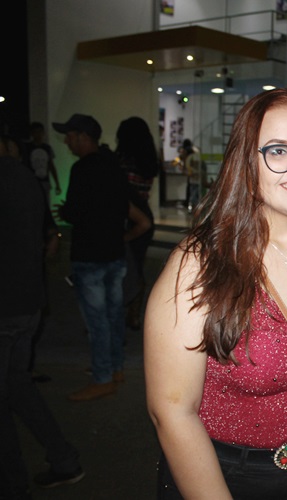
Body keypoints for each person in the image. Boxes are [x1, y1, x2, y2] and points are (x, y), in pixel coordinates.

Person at [144, 88, 287, 498]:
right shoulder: (199, 263)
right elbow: (172, 412)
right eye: (278, 151)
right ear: (246, 160)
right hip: (226, 473)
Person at [0, 134, 85, 496]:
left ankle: (13, 485)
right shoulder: (24, 177)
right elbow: (49, 234)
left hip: (6, 306)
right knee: (18, 385)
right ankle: (64, 459)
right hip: (29, 301)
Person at [52, 113, 151, 402]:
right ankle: (114, 368)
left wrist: (65, 212)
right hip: (114, 253)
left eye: (70, 136)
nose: (67, 141)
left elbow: (74, 212)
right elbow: (128, 208)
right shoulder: (113, 167)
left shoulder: (82, 169)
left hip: (90, 255)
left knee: (97, 322)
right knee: (113, 316)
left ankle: (102, 377)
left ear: (83, 137)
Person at [115, 116, 160, 330]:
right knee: (137, 266)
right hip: (144, 213)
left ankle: (120, 311)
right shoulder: (147, 160)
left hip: (127, 215)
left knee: (121, 266)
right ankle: (134, 314)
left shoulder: (122, 162)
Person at [26, 122, 62, 207]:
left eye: (40, 132)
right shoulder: (27, 148)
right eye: (36, 132)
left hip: (44, 182)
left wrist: (57, 184)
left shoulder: (47, 148)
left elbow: (51, 166)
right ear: (32, 133)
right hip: (32, 183)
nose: (38, 135)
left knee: (45, 205)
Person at [178, 138, 202, 212]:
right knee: (194, 191)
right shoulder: (195, 150)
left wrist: (180, 165)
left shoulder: (185, 152)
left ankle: (191, 206)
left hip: (191, 173)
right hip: (196, 173)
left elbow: (178, 160)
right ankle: (193, 206)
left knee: (192, 190)